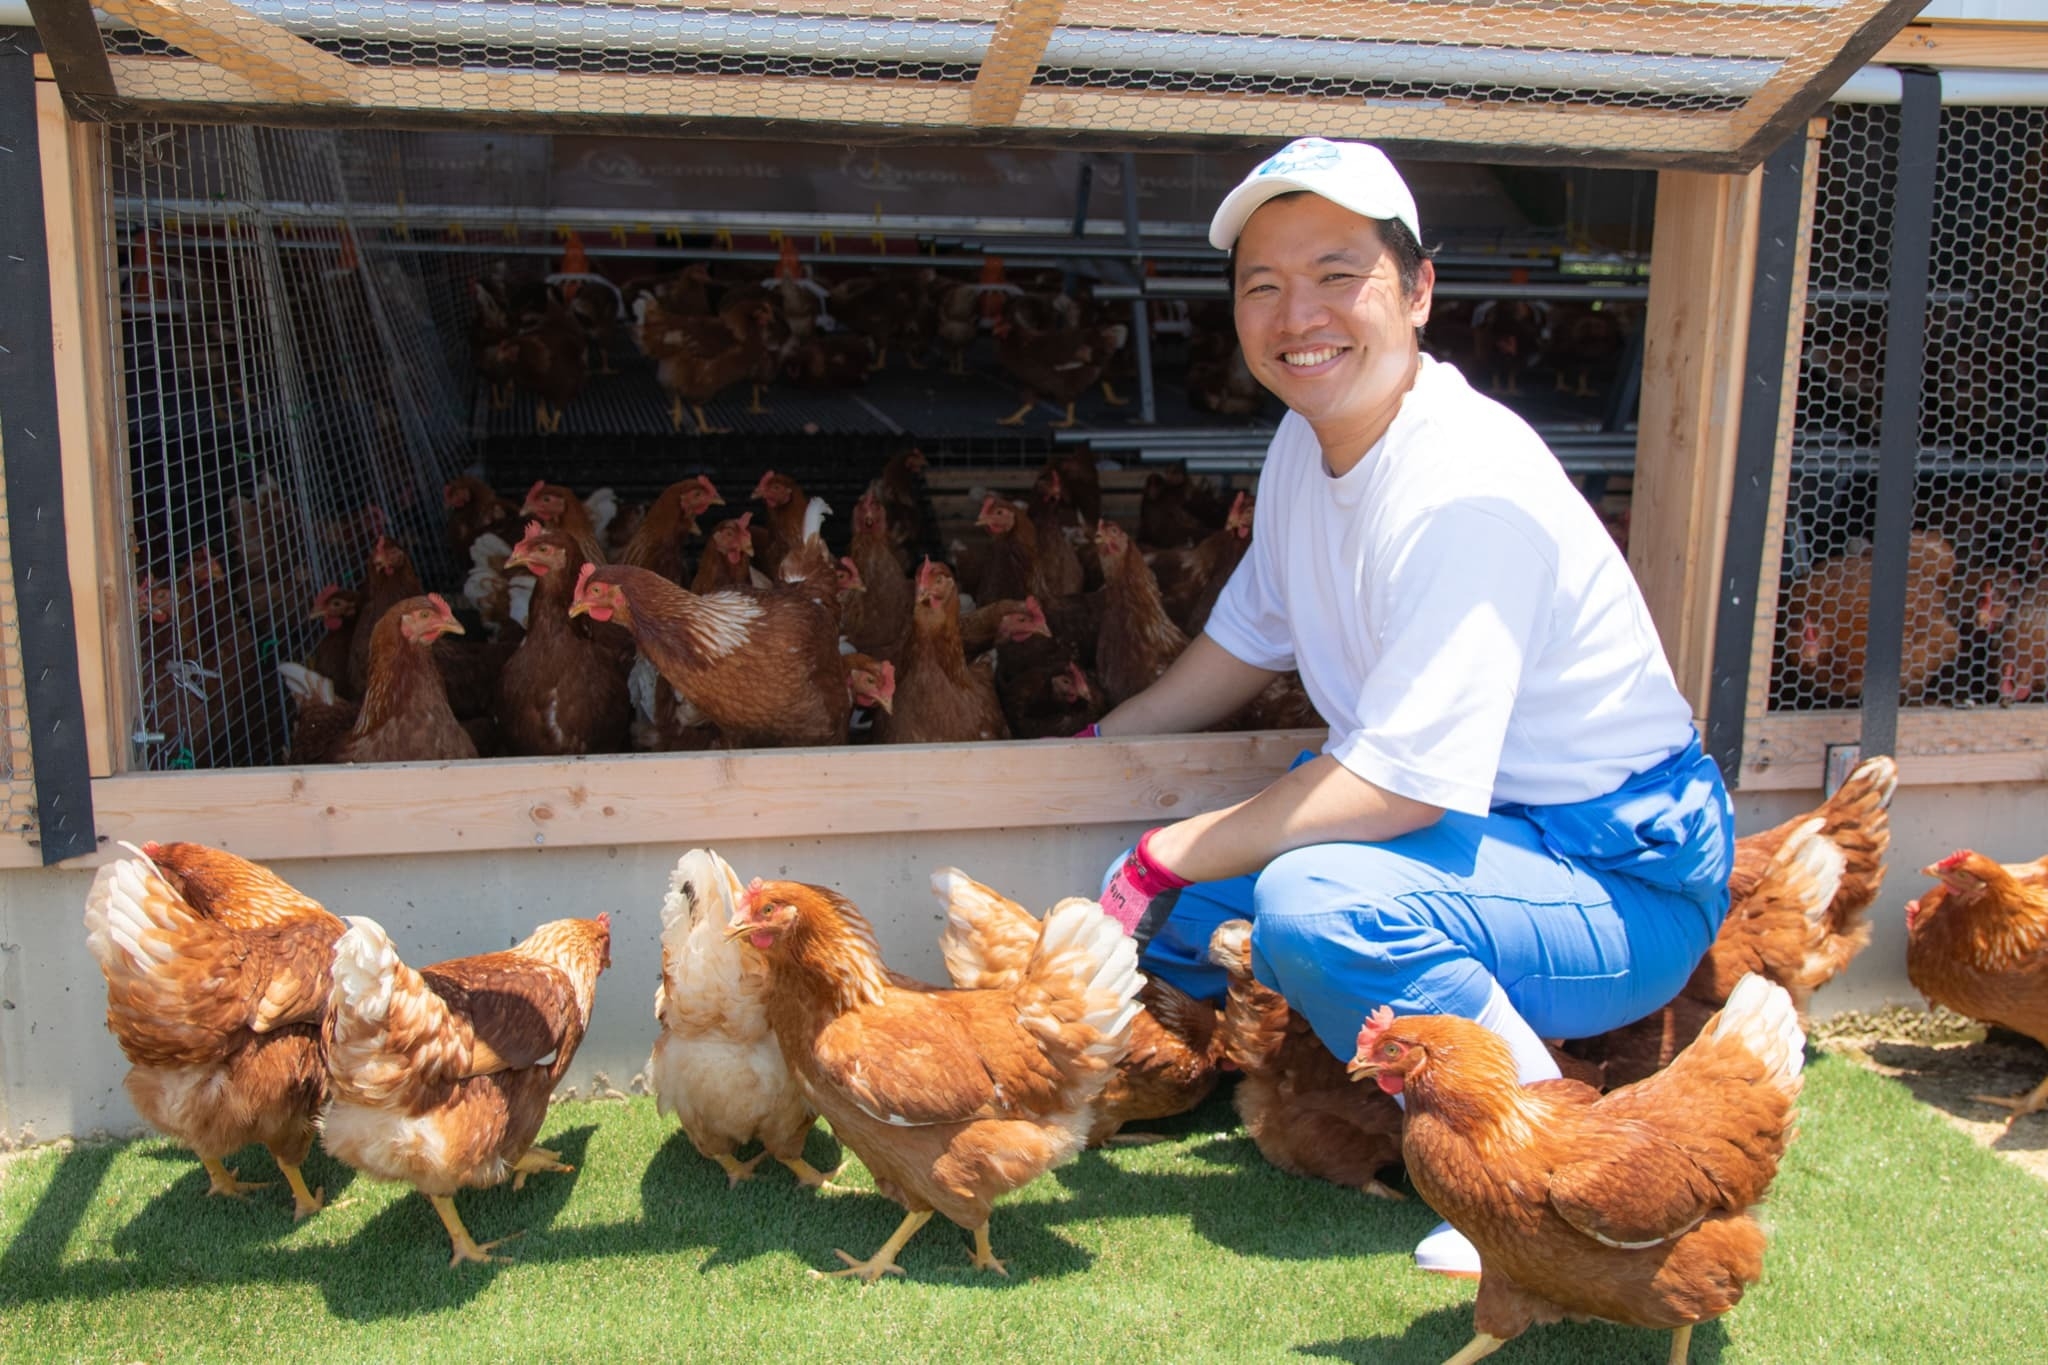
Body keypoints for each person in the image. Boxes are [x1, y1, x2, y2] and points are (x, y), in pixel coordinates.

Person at [1088, 138, 1734, 1276]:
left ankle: (1533, 1151)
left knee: (1312, 907)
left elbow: (1388, 788)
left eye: (1338, 276)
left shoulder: (1463, 490)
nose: (1300, 314)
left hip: (1613, 874)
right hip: (1482, 836)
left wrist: (1160, 850)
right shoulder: (1306, 441)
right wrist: (1094, 751)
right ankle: (1284, 1072)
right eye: (1263, 285)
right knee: (1184, 923)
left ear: (1417, 290)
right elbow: (1240, 641)